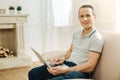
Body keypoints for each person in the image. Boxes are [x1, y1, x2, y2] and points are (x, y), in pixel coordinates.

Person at [28, 4, 104, 80]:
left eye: (88, 15)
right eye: (82, 16)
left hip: (80, 71)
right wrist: (62, 59)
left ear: (94, 17)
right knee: (33, 73)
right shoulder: (76, 34)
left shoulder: (96, 38)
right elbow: (70, 51)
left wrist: (64, 70)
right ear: (79, 18)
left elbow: (90, 66)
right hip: (67, 64)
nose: (84, 19)